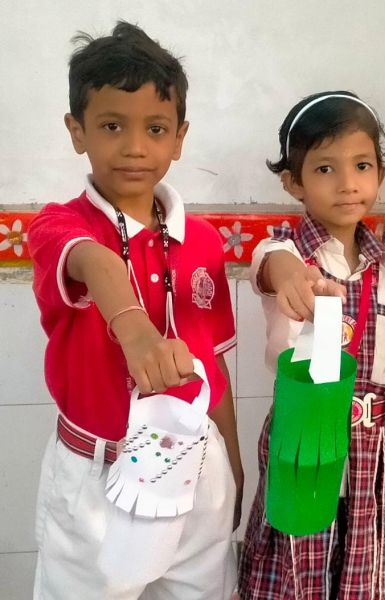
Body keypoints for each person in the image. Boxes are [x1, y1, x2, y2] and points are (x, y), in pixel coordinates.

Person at [28, 21, 243, 599]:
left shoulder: (203, 241)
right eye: (111, 126)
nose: (134, 147)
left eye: (155, 128)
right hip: (95, 474)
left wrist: (231, 460)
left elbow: (214, 368)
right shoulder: (58, 226)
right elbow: (94, 261)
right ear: (76, 131)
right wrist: (135, 330)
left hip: (196, 469)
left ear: (179, 138)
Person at [237, 91, 385, 599]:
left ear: (379, 173)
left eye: (362, 165)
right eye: (324, 169)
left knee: (365, 580)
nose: (347, 183)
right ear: (293, 182)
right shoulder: (286, 252)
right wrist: (294, 278)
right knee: (297, 573)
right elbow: (272, 268)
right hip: (302, 448)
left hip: (375, 461)